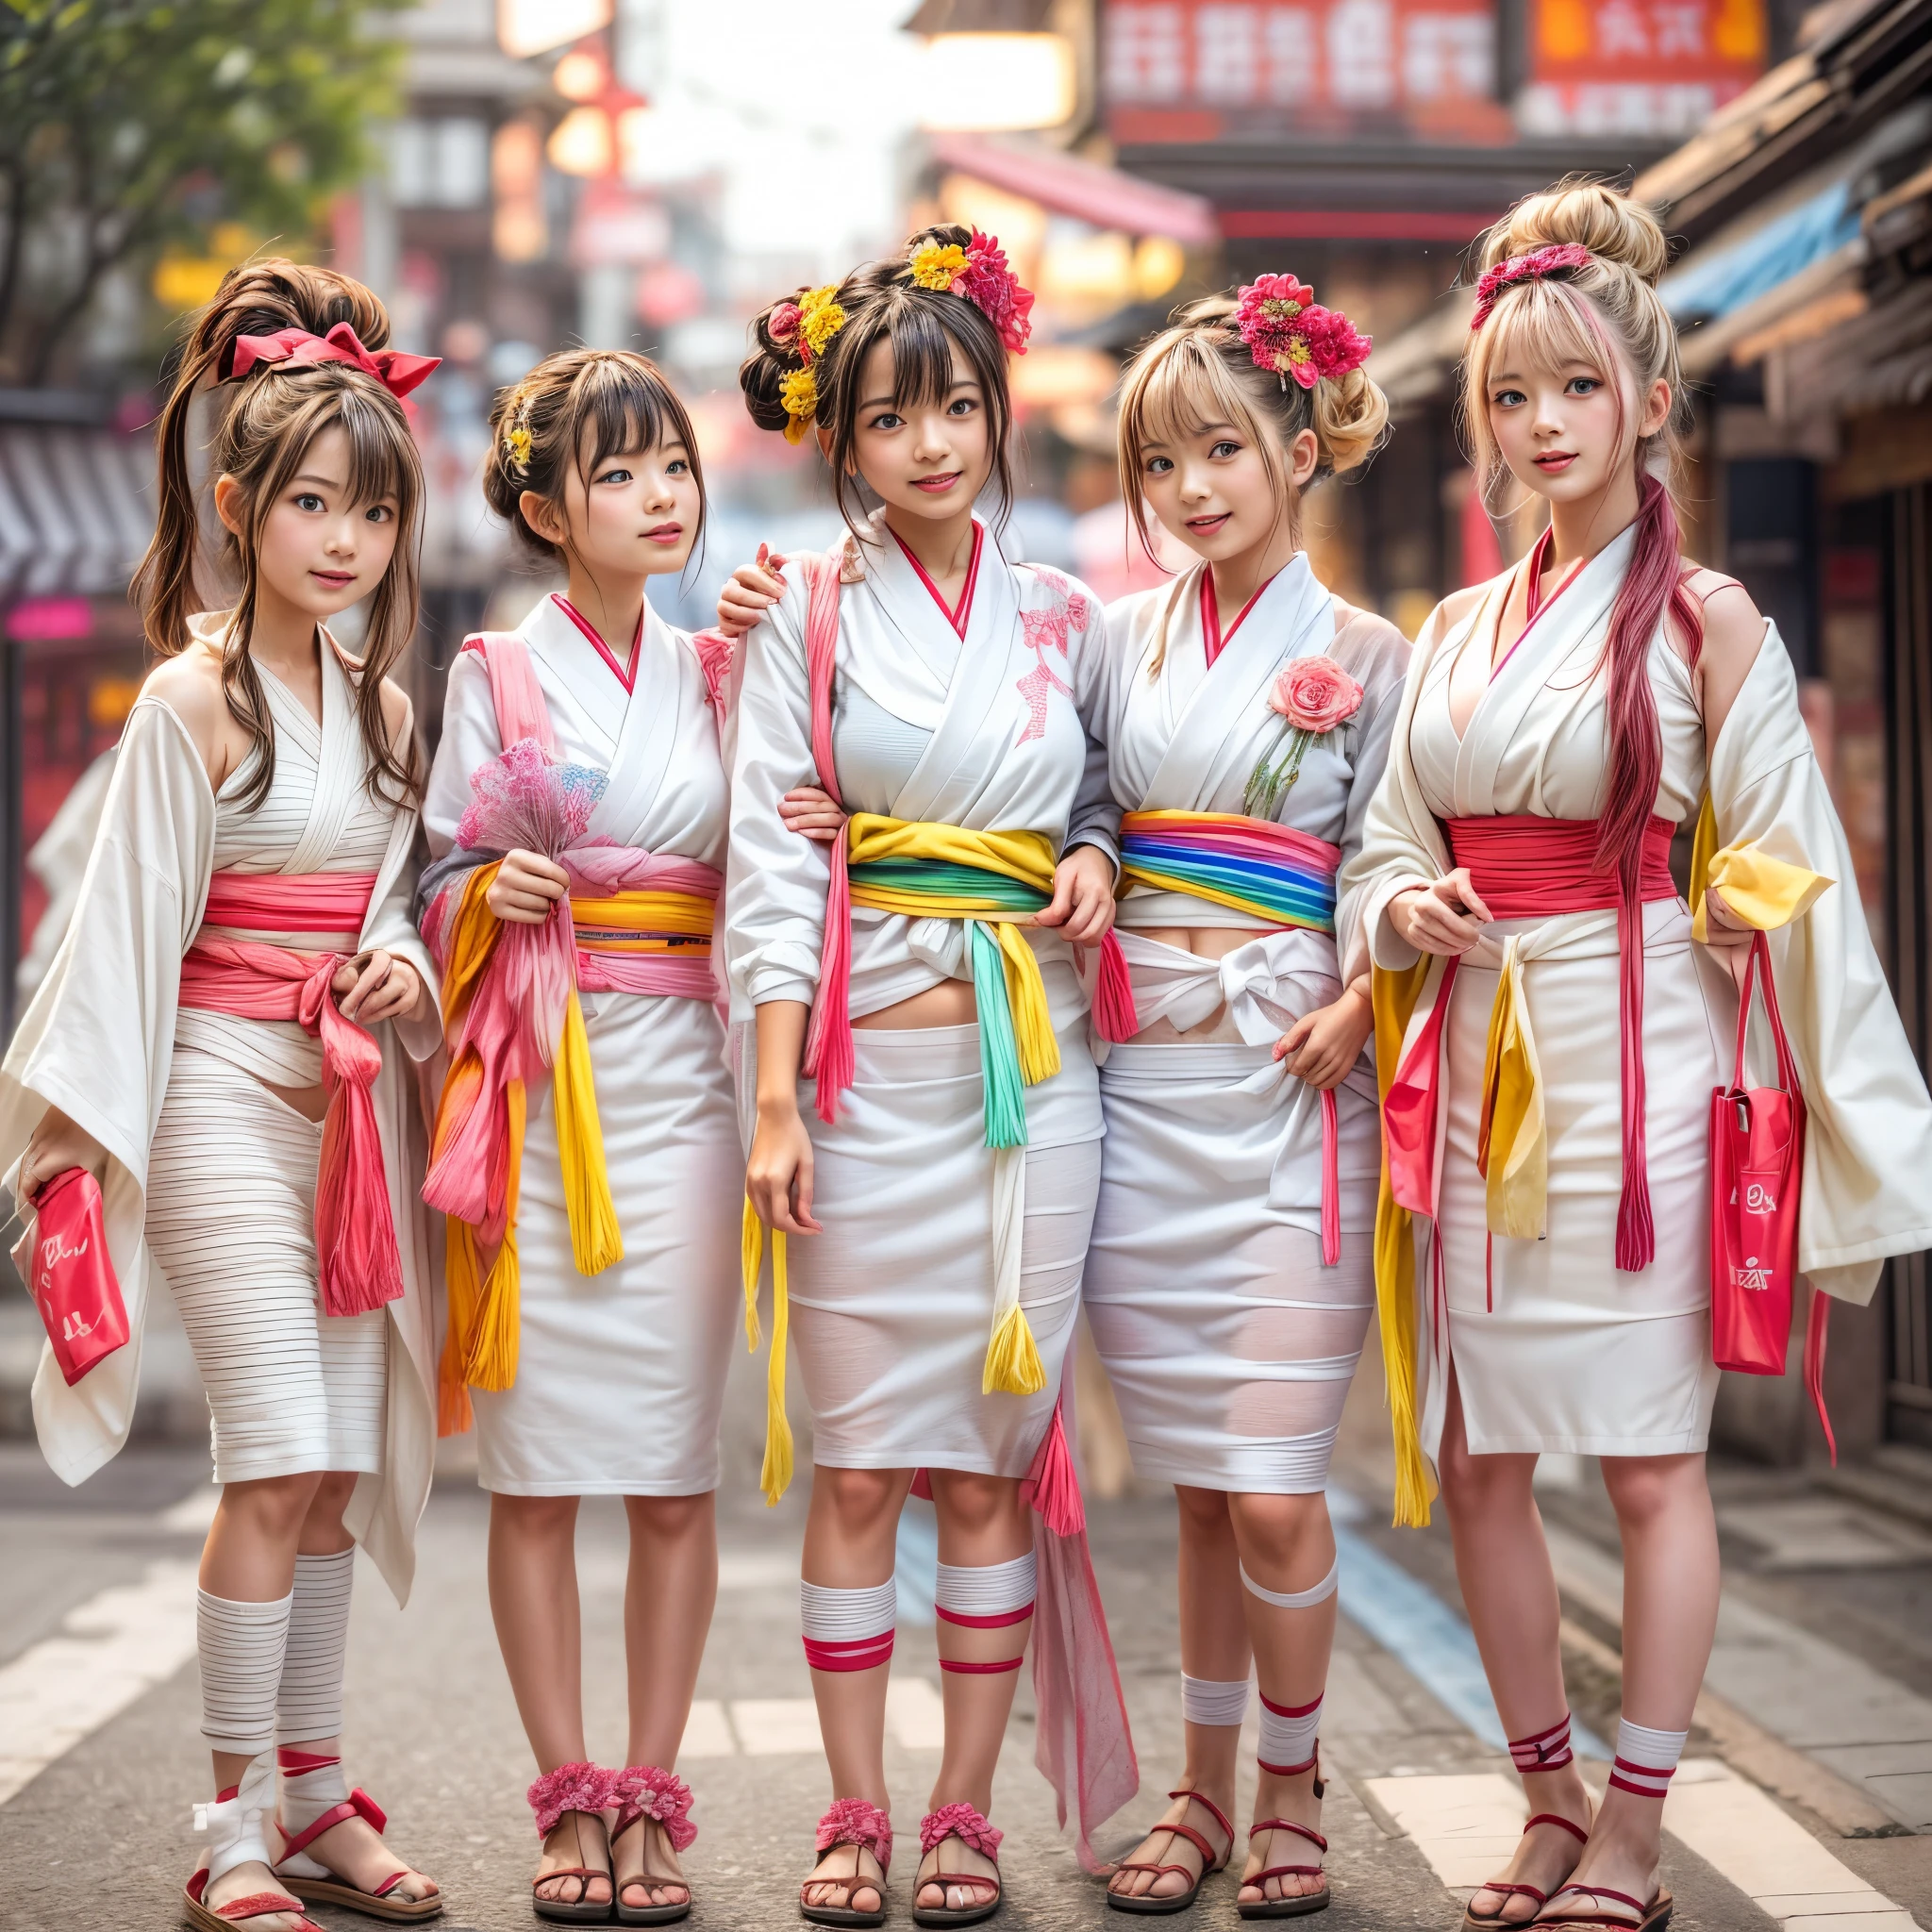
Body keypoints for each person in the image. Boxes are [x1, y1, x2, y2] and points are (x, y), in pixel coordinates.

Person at [1346, 179, 1932, 1932]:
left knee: (1653, 1459)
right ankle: (1544, 1794)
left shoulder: (1715, 625)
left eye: (1578, 389)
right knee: (1477, 1458)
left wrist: (1737, 910)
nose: (1542, 427)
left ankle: (1639, 1824)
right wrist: (1401, 917)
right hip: (1476, 1060)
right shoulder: (1451, 632)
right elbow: (1383, 846)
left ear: (1652, 404)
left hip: (1641, 1057)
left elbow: (1784, 855)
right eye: (1511, 397)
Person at [0, 261, 445, 1932]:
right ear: (241, 506)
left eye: (373, 512)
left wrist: (398, 962)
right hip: (208, 1094)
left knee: (330, 1468)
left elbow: (387, 901)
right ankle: (229, 1826)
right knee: (273, 1454)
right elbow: (119, 940)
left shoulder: (387, 715)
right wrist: (68, 1155)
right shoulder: (192, 703)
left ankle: (318, 1790)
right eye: (313, 504)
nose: (344, 540)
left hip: (339, 1112)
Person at [715, 224, 1136, 1928]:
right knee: (861, 1464)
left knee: (984, 1466)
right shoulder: (800, 613)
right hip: (865, 1087)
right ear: (845, 446)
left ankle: (963, 1810)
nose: (931, 444)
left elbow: (1104, 792)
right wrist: (768, 1100)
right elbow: (764, 857)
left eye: (957, 406)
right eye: (891, 421)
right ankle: (850, 1808)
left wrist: (1094, 855)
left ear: (999, 414)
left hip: (1033, 1089)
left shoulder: (1061, 616)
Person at [1081, 283, 1407, 1920]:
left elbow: (1406, 858)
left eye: (1222, 446)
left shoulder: (1369, 658)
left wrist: (1364, 994)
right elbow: (1059, 806)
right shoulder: (1107, 643)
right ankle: (1197, 1795)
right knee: (1199, 1486)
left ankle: (1292, 1786)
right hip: (1143, 1086)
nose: (1191, 488)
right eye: (1161, 462)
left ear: (1299, 445)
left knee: (1275, 1482)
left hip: (1293, 1087)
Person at [416, 348, 741, 1924]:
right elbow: (420, 880)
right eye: (618, 474)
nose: (659, 495)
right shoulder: (492, 671)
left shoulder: (728, 670)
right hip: (541, 1096)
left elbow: (777, 872)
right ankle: (566, 1797)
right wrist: (486, 890)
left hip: (680, 1087)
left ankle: (654, 1796)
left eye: (671, 463)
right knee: (537, 1478)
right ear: (548, 508)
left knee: (674, 1477)